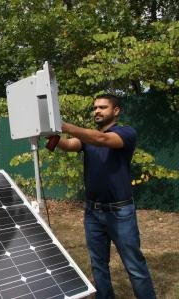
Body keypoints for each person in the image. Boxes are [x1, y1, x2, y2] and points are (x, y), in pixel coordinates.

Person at [53, 94, 156, 299]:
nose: (97, 111)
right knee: (98, 265)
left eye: (102, 107)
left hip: (120, 212)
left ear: (116, 111)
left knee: (134, 266)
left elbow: (101, 139)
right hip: (93, 212)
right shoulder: (88, 138)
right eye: (95, 108)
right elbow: (68, 145)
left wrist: (63, 125)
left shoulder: (126, 133)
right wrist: (50, 135)